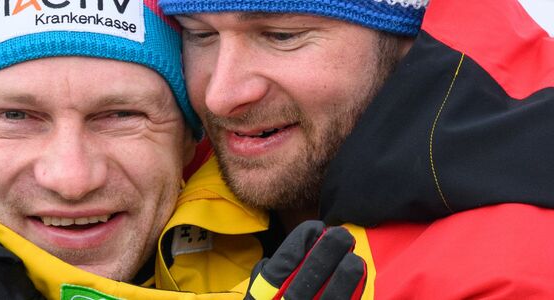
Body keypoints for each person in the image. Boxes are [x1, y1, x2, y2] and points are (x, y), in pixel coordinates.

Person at [0, 0, 361, 299]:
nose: (71, 178)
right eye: (16, 116)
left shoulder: (301, 223)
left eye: (121, 116)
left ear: (190, 136)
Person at [157, 0, 554, 297]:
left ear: (406, 38)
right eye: (200, 34)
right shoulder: (152, 190)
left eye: (282, 35)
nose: (220, 96)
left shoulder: (516, 271)